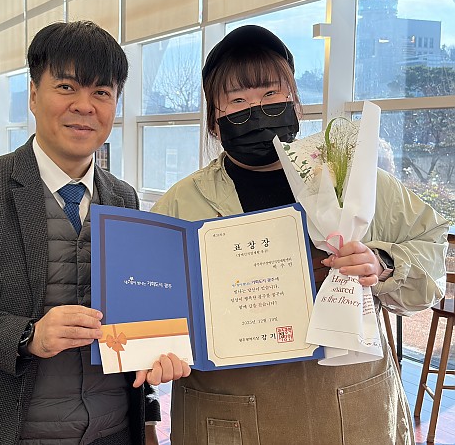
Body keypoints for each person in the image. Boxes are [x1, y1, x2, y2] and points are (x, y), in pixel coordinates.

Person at [151, 25, 449, 445]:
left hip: (350, 406)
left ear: (295, 103)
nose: (257, 110)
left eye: (271, 94)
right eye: (237, 101)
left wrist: (384, 264)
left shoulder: (352, 180)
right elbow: (148, 300)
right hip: (228, 412)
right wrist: (158, 348)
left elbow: (431, 244)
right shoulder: (184, 202)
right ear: (215, 122)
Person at [0, 21, 189, 445]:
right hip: (7, 431)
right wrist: (28, 335)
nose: (84, 106)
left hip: (111, 430)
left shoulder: (123, 198)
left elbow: (134, 314)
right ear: (33, 94)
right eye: (66, 87)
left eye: (102, 93)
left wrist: (155, 359)